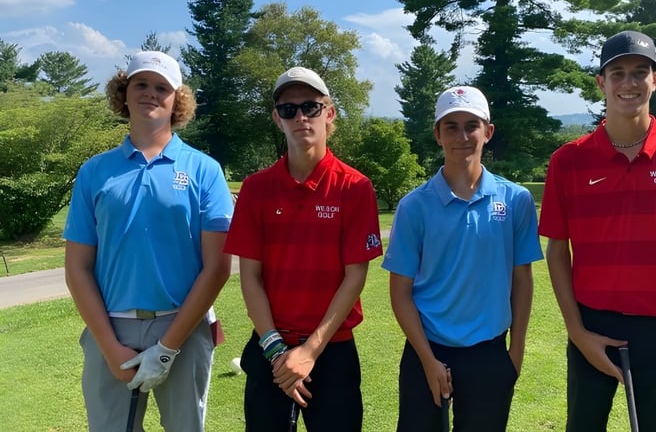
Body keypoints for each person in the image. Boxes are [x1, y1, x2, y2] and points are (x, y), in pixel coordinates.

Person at [538, 30, 656, 431]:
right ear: (601, 82)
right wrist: (577, 331)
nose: (629, 83)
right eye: (617, 73)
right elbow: (557, 250)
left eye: (640, 72)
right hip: (592, 323)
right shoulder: (568, 161)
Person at [63, 50, 234, 431]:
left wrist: (168, 348)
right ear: (123, 93)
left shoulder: (204, 170)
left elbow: (217, 267)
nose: (150, 93)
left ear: (177, 100)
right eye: (140, 84)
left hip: (184, 327)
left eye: (162, 87)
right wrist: (109, 347)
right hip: (111, 326)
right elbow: (77, 267)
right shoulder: (95, 171)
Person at [223, 66, 384, 432]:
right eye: (288, 109)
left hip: (332, 350)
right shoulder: (255, 188)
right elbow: (250, 277)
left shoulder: (354, 187)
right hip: (270, 349)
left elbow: (355, 276)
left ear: (330, 113)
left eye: (310, 107)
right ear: (277, 119)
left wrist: (309, 351)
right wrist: (277, 352)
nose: (300, 117)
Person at [382, 86, 543, 432]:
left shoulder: (516, 200)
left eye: (472, 125)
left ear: (488, 131)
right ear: (437, 134)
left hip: (490, 353)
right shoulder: (414, 206)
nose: (462, 136)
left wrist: (515, 352)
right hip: (427, 349)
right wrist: (428, 360)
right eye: (451, 127)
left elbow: (522, 280)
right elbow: (400, 293)